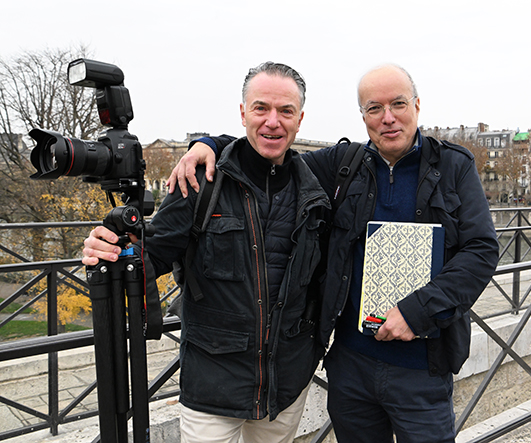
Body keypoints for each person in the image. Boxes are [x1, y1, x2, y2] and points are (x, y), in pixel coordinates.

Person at [167, 64, 499, 443]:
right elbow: (268, 148)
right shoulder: (342, 165)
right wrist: (208, 144)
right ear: (362, 115)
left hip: (422, 368)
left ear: (417, 106)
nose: (387, 117)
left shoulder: (453, 166)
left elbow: (481, 251)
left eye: (398, 104)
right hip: (350, 367)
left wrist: (416, 311)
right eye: (374, 108)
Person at [82, 62, 331, 443]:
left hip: (286, 384)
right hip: (213, 383)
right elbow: (154, 254)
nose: (273, 121)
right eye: (261, 108)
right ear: (243, 113)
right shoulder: (201, 182)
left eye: (286, 111)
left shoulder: (314, 191)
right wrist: (115, 249)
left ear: (300, 119)